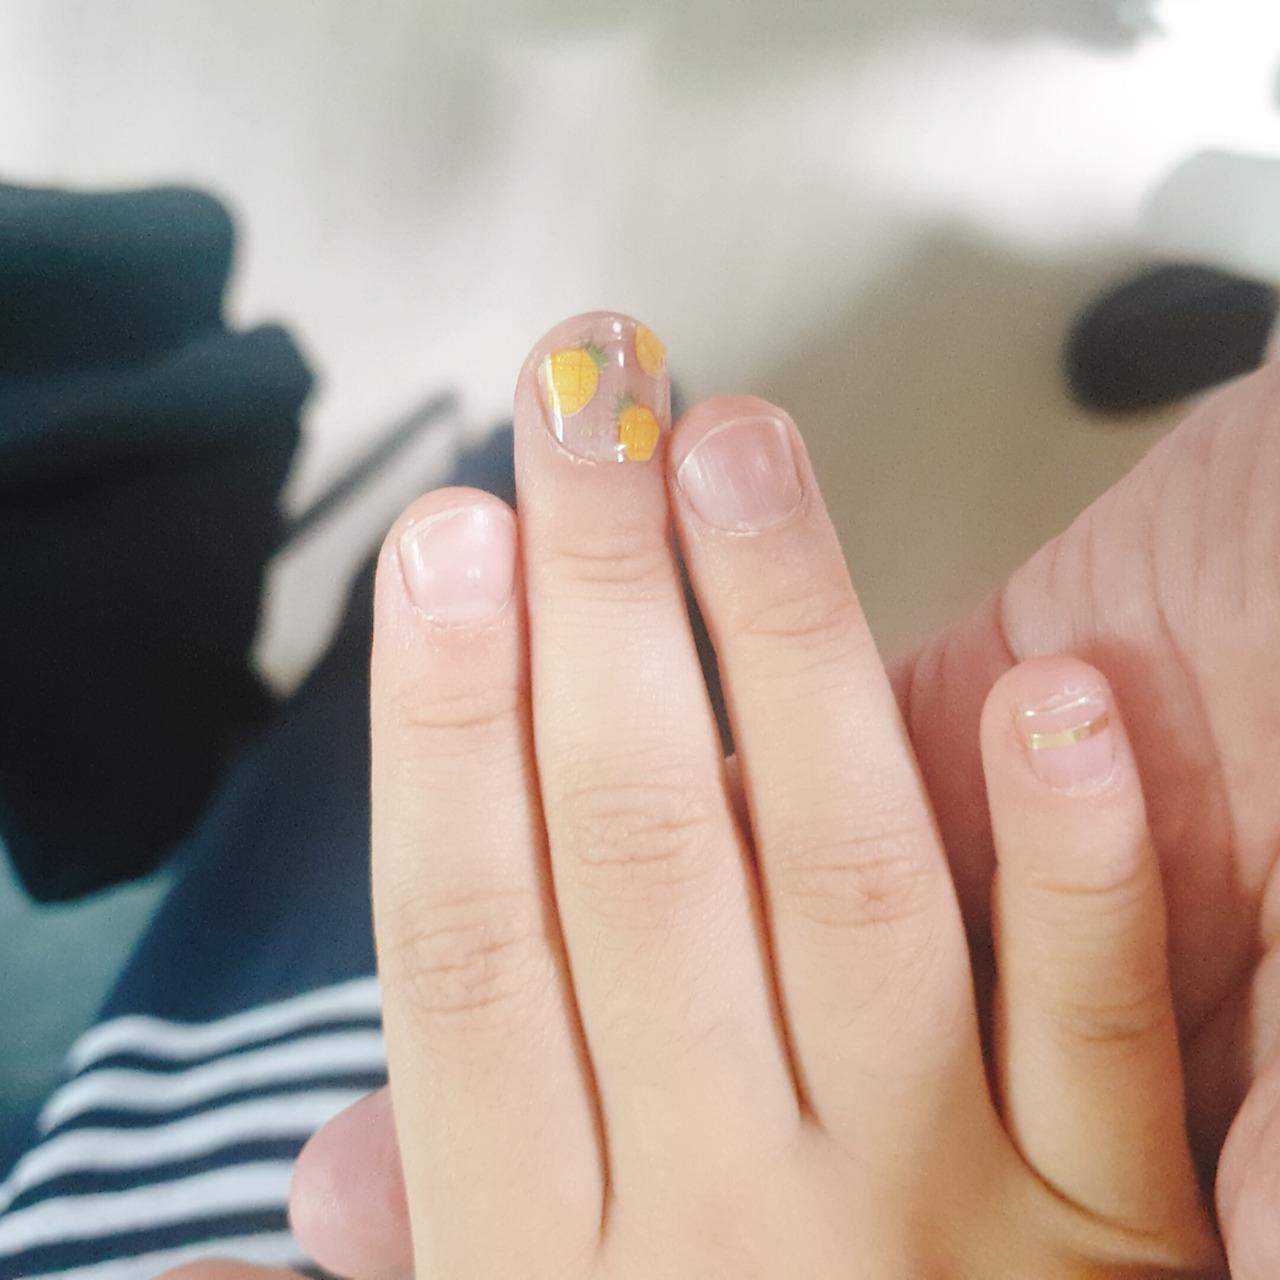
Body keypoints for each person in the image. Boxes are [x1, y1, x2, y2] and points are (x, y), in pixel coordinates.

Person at [4, 308, 1277, 1277]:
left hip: (164, 1119)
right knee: (549, 718)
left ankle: (517, 495)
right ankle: (525, 492)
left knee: (451, 726)